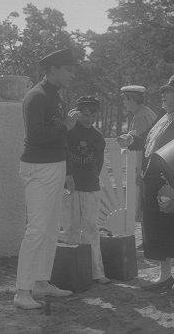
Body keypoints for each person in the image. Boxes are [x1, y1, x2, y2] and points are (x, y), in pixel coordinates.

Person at [118, 74, 174, 296]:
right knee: (157, 230)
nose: (163, 95)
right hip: (154, 183)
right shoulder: (164, 116)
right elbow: (148, 139)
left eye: (167, 92)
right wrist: (131, 141)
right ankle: (165, 276)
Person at [14, 48, 81, 310]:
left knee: (52, 228)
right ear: (52, 70)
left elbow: (61, 139)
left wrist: (69, 172)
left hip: (56, 166)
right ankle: (22, 291)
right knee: (38, 229)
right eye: (68, 69)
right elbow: (36, 136)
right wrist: (66, 126)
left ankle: (41, 282)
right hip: (38, 168)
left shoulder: (56, 97)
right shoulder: (36, 97)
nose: (72, 74)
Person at [64, 96, 111, 285]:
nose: (88, 118)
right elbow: (64, 155)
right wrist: (68, 176)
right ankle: (71, 270)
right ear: (77, 113)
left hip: (91, 186)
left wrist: (91, 178)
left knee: (91, 227)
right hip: (71, 186)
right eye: (84, 114)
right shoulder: (69, 133)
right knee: (72, 227)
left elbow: (98, 163)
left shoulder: (97, 137)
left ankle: (96, 272)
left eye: (92, 115)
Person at [120, 85, 157, 227]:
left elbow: (141, 146)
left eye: (126, 99)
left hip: (145, 165)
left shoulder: (141, 116)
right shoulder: (144, 112)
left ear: (132, 100)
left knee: (143, 202)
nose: (124, 103)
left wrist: (139, 170)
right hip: (149, 164)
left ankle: (147, 239)